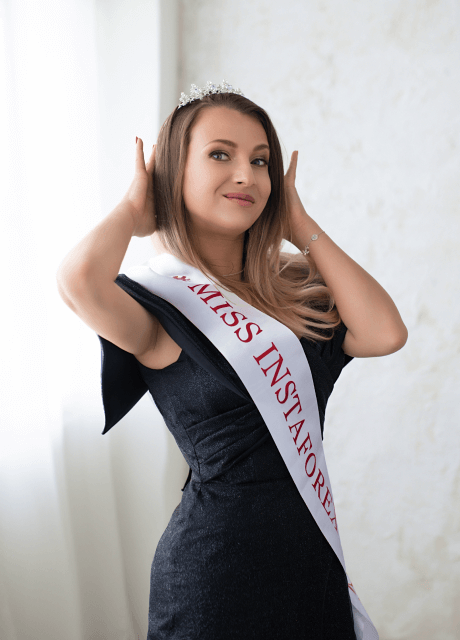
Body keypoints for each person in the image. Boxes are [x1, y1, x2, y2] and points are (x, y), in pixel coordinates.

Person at [56, 80, 407, 640]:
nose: (247, 175)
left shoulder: (296, 289)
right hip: (215, 578)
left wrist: (299, 224)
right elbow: (78, 281)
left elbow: (385, 333)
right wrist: (134, 208)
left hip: (310, 567)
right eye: (220, 154)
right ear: (174, 172)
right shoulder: (158, 305)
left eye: (260, 161)